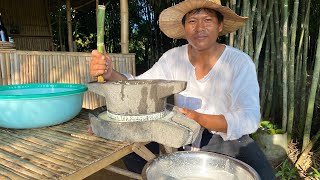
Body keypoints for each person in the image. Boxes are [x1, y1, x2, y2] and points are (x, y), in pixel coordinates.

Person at [90, 0, 276, 179]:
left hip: (225, 138)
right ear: (184, 28)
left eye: (208, 20)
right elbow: (139, 86)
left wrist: (200, 118)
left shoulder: (239, 63)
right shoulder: (173, 58)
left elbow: (249, 118)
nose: (199, 27)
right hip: (180, 133)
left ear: (220, 26)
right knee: (133, 153)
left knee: (263, 175)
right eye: (192, 21)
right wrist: (110, 74)